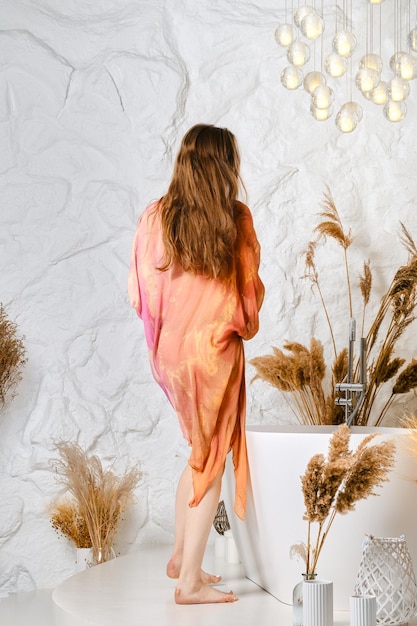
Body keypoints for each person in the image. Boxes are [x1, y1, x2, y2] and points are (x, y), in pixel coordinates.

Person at [128, 124, 264, 604]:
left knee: (198, 453)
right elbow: (248, 311)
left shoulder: (155, 217)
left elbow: (137, 293)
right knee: (211, 464)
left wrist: (168, 338)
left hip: (172, 357)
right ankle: (187, 583)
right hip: (212, 357)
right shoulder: (236, 220)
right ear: (226, 166)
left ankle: (179, 558)